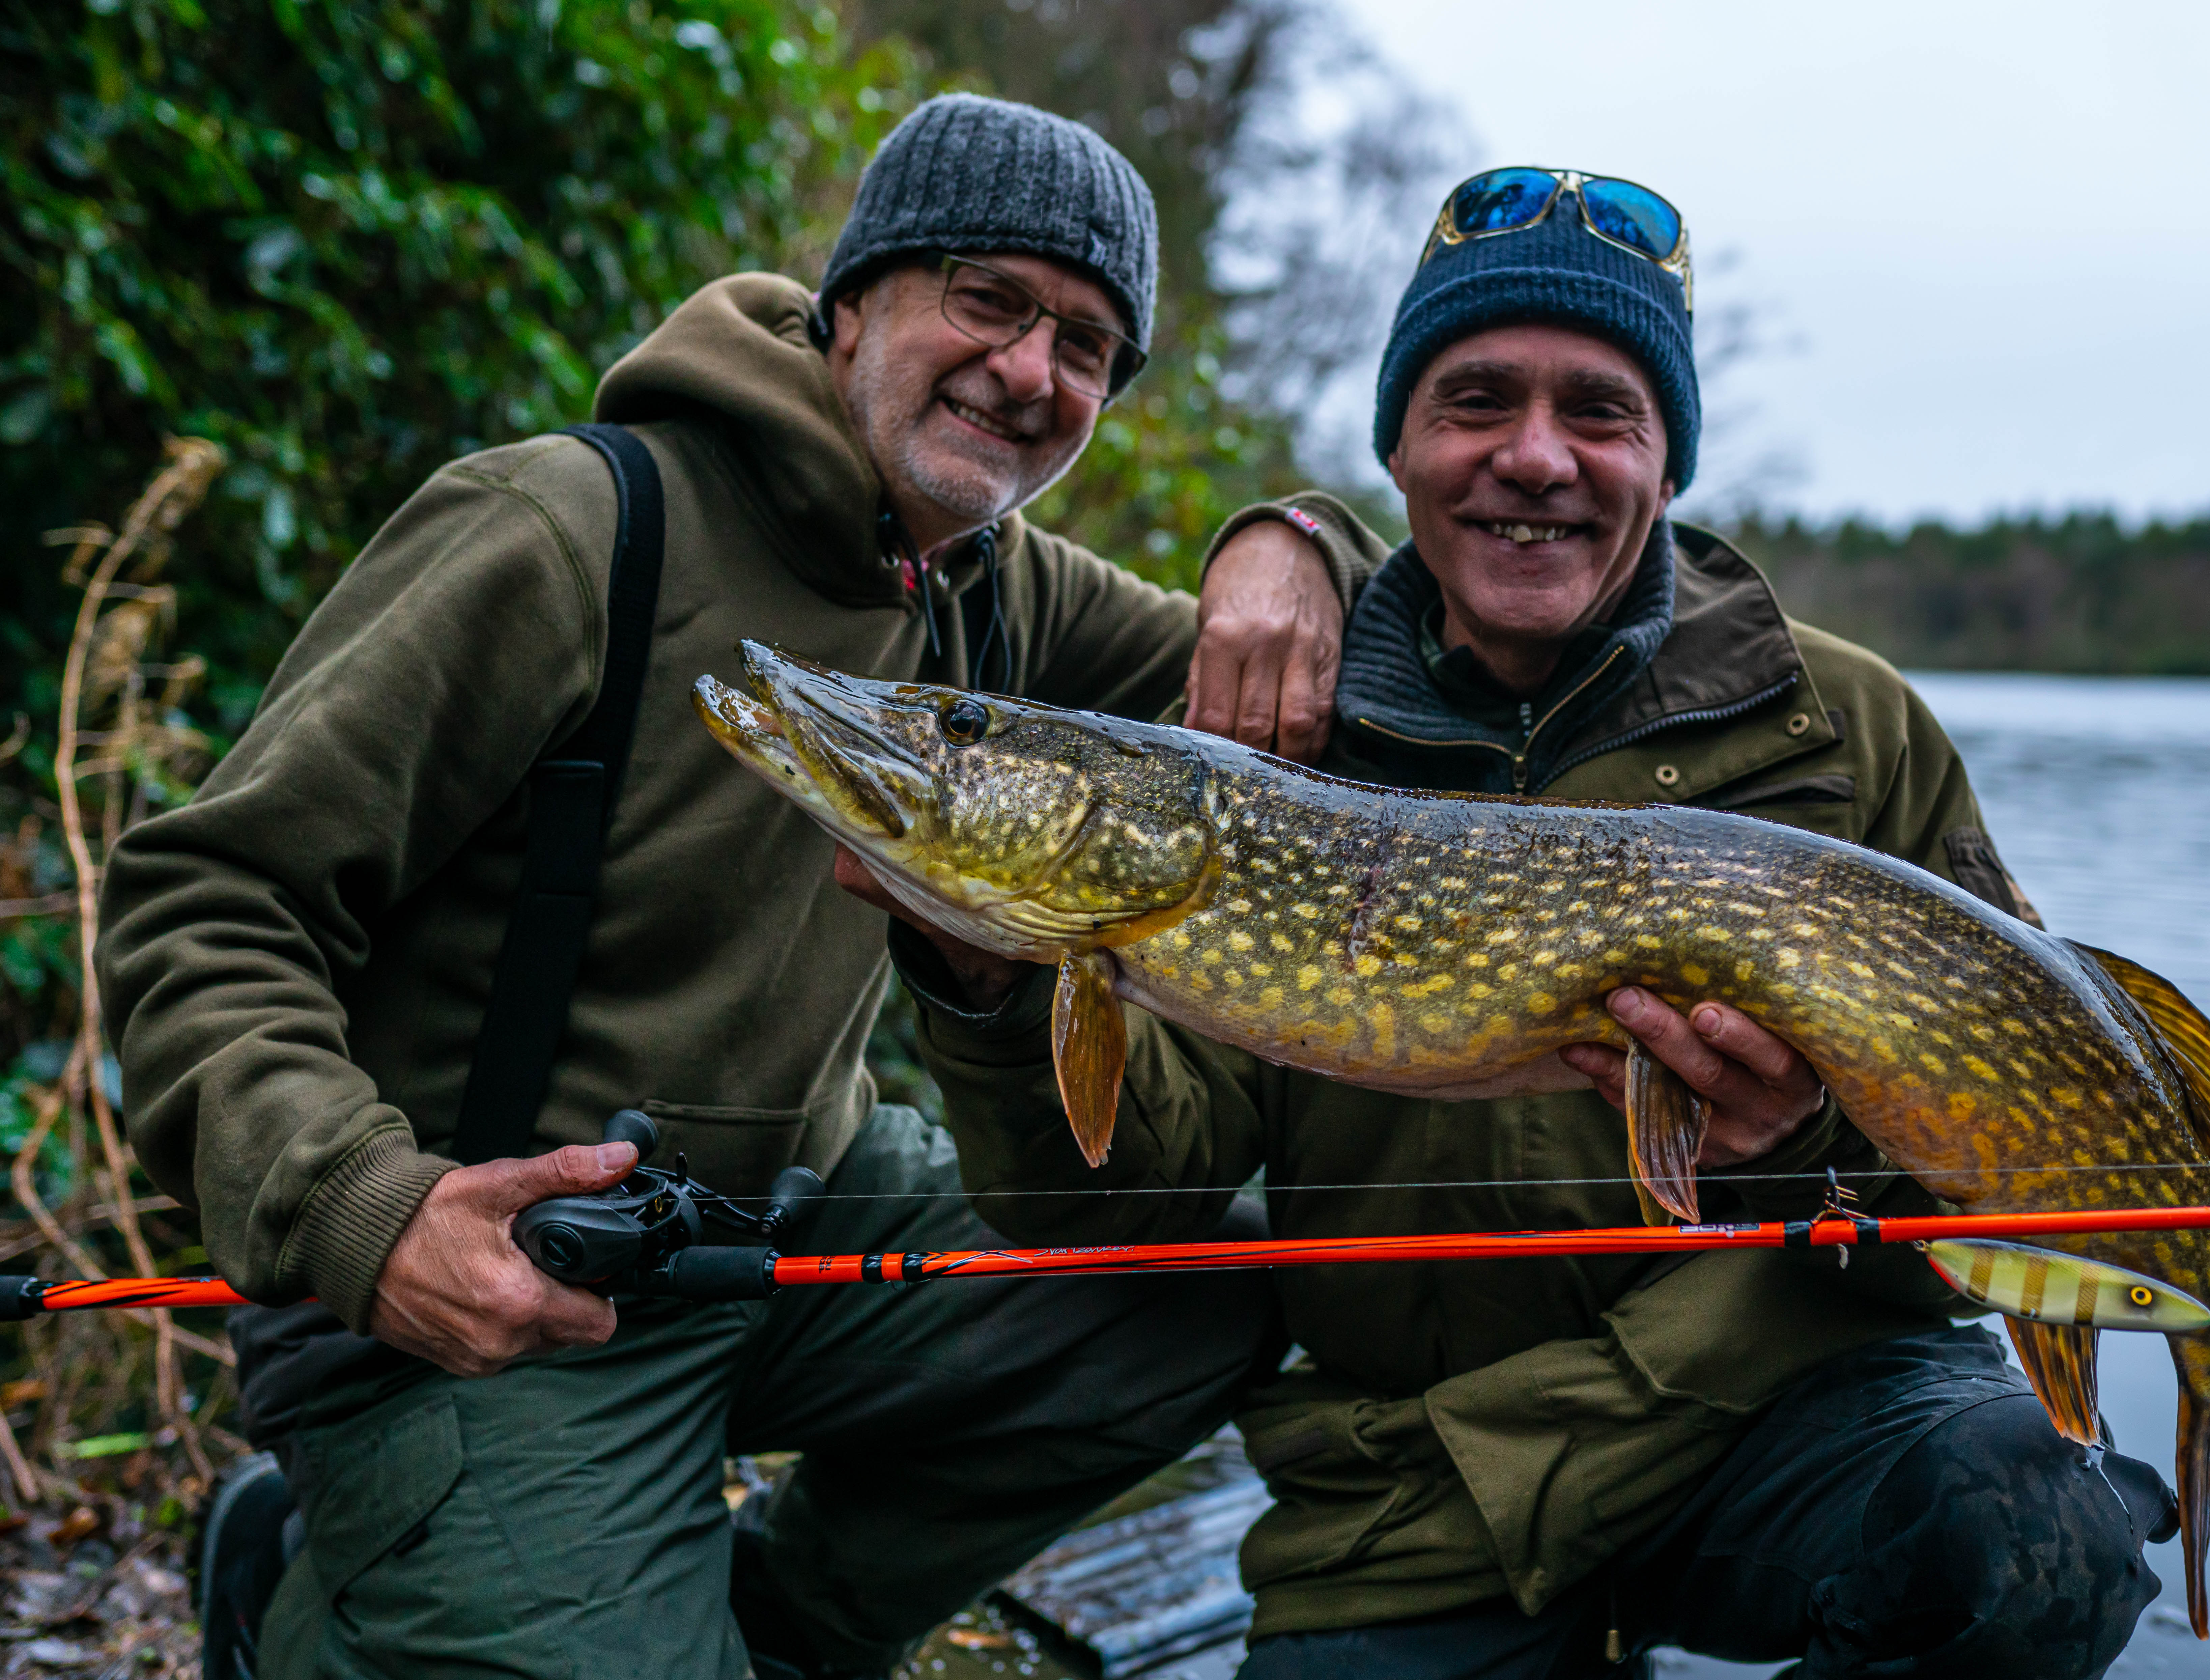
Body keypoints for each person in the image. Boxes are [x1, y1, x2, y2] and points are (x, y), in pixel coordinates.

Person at [97, 94, 1375, 1680]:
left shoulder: (987, 571)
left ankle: (762, 1632)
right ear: (854, 303)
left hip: (783, 1227)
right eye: (987, 298)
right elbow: (202, 905)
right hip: (494, 1280)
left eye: (1091, 345)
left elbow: (1321, 666)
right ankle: (319, 1582)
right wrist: (367, 1209)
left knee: (1203, 1295)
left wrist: (1295, 535)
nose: (1032, 372)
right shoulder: (565, 528)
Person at [875, 168, 2175, 1679]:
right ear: (1401, 451)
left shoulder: (1851, 728)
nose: (1535, 458)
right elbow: (1130, 1196)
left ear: (1667, 464)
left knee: (2032, 1542)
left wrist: (1807, 1139)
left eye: (1601, 413)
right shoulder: (1261, 735)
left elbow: (1979, 1190)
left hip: (1778, 1423)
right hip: (1418, 1487)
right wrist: (981, 980)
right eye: (1476, 398)